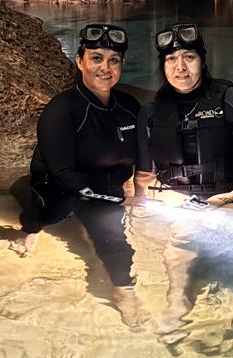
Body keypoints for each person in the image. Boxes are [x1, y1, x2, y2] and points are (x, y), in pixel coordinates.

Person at [12, 24, 141, 292]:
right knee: (49, 213)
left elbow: (142, 153)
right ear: (80, 61)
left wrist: (138, 189)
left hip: (107, 190)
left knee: (115, 245)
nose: (105, 68)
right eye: (96, 58)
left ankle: (125, 291)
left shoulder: (130, 107)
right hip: (61, 190)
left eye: (114, 60)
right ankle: (27, 205)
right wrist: (118, 199)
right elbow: (62, 175)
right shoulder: (61, 110)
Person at [136, 22, 233, 209]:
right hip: (172, 205)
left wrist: (220, 202)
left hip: (228, 202)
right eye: (171, 59)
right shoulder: (149, 113)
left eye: (189, 57)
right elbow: (144, 177)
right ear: (163, 65)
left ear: (203, 62)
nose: (180, 67)